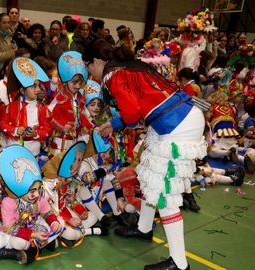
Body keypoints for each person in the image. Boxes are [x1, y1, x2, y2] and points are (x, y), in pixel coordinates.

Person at [83, 39, 207, 269]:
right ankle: (144, 228)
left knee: (165, 198)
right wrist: (115, 123)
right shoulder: (129, 67)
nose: (90, 72)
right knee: (150, 176)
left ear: (97, 61)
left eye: (89, 66)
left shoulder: (114, 75)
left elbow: (131, 114)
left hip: (177, 126)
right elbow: (140, 106)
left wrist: (119, 120)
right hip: (182, 118)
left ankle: (180, 264)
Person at [0, 145, 63, 262]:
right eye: (32, 191)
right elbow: (9, 228)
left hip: (35, 224)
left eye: (38, 189)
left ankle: (36, 246)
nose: (37, 195)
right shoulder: (9, 202)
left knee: (61, 222)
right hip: (18, 231)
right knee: (18, 243)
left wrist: (53, 222)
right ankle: (36, 247)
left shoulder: (39, 196)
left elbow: (47, 212)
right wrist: (32, 235)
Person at [0, 57, 52, 157]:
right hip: (13, 152)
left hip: (33, 153)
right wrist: (15, 130)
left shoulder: (42, 109)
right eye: (33, 87)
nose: (38, 89)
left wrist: (36, 133)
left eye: (39, 86)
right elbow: (2, 123)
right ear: (22, 91)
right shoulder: (11, 107)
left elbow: (48, 129)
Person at [49, 51, 93, 155]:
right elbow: (48, 115)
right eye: (74, 82)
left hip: (75, 139)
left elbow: (83, 116)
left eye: (80, 83)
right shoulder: (60, 98)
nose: (78, 86)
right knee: (57, 163)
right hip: (61, 140)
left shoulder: (80, 99)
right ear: (66, 81)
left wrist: (88, 126)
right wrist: (62, 127)